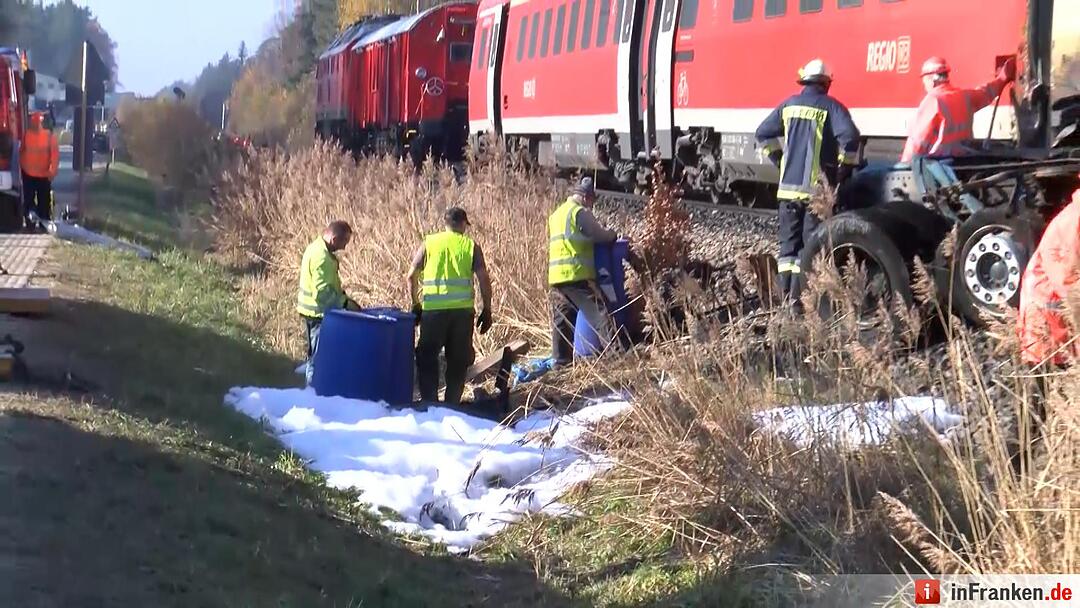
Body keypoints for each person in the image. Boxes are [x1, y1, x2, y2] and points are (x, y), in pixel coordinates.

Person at [755, 59, 861, 299]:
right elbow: (850, 137)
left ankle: (785, 297)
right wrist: (844, 167)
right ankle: (801, 298)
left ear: (804, 81)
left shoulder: (789, 105)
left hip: (788, 192)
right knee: (809, 246)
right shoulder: (832, 107)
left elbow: (763, 133)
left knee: (788, 250)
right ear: (826, 83)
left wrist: (779, 159)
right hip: (815, 193)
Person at [406, 207, 493, 404]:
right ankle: (452, 404)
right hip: (462, 314)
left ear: (445, 223)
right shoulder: (470, 246)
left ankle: (430, 403)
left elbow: (411, 276)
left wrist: (415, 304)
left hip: (433, 313)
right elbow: (483, 279)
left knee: (427, 358)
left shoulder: (429, 243)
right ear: (463, 224)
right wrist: (487, 309)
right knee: (458, 361)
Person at [548, 177, 618, 366]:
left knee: (563, 319)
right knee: (599, 312)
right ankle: (616, 355)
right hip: (575, 274)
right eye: (592, 201)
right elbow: (598, 235)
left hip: (556, 276)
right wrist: (613, 235)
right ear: (586, 197)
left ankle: (560, 361)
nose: (591, 206)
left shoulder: (556, 214)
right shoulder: (579, 212)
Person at [901, 56, 1016, 162]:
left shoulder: (932, 101)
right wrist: (1003, 78)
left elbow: (918, 142)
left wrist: (905, 164)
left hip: (941, 165)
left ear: (932, 79)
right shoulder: (965, 97)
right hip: (964, 162)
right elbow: (986, 93)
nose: (924, 84)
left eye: (925, 80)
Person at [1017, 188, 1080, 369]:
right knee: (1051, 378)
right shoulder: (1071, 224)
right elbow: (1069, 283)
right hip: (1048, 320)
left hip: (1063, 315)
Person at [296, 221, 359, 386]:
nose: (344, 247)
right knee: (318, 360)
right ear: (334, 239)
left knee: (314, 356)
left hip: (311, 312)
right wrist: (345, 304)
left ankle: (312, 390)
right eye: (344, 242)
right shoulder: (322, 257)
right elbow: (322, 293)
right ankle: (312, 393)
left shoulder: (315, 248)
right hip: (318, 314)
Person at [20, 111, 60, 232]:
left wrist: (23, 167)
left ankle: (30, 224)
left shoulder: (27, 135)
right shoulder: (50, 137)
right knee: (44, 201)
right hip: (43, 174)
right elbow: (54, 157)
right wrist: (52, 173)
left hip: (28, 173)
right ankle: (44, 225)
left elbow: (21, 152)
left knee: (29, 200)